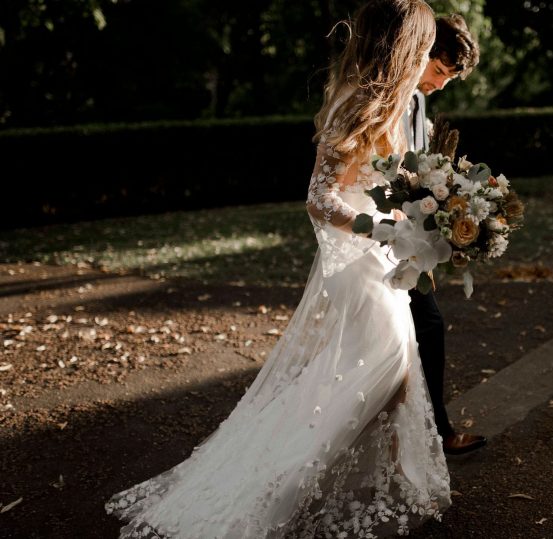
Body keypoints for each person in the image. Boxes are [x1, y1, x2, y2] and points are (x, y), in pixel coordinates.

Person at [105, 2, 451, 537]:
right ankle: (267, 499)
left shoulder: (393, 103)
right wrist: (377, 229)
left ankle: (383, 483)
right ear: (404, 47)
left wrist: (423, 218)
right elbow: (318, 199)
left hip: (381, 260)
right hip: (359, 264)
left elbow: (384, 186)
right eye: (425, 47)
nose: (430, 56)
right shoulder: (355, 103)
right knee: (378, 373)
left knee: (394, 374)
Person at [402, 14, 486, 456]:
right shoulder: (393, 100)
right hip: (384, 235)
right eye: (439, 71)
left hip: (409, 236)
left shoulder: (416, 102)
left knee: (416, 331)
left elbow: (417, 172)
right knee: (425, 327)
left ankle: (428, 431)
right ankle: (437, 432)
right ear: (421, 52)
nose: (440, 84)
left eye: (449, 77)